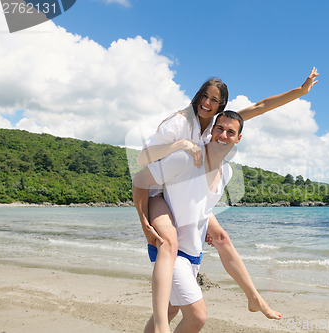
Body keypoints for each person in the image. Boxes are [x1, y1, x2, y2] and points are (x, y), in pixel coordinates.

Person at [132, 68, 319, 332]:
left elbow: (261, 106)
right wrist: (178, 146)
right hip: (158, 191)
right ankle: (162, 324)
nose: (207, 104)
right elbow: (142, 162)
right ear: (198, 96)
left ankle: (254, 298)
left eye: (215, 101)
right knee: (169, 243)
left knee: (221, 238)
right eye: (204, 97)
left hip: (187, 191)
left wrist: (300, 91)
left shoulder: (220, 126)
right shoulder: (179, 123)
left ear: (222, 106)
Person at [133, 111, 269, 332]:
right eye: (219, 129)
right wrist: (145, 222)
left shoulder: (226, 172)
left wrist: (205, 222)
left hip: (194, 251)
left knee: (171, 310)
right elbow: (140, 180)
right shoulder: (186, 158)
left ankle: (255, 298)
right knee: (197, 316)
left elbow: (201, 202)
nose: (223, 135)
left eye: (230, 132)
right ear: (211, 131)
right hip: (170, 250)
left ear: (238, 138)